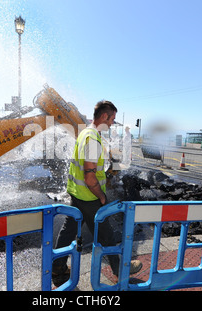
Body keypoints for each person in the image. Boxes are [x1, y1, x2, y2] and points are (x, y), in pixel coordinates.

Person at [52, 100, 142, 287]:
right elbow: (90, 177)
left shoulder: (86, 132)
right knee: (106, 234)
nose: (112, 123)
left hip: (77, 193)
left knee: (69, 229)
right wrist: (101, 196)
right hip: (89, 196)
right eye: (111, 119)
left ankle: (57, 268)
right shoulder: (92, 139)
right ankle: (119, 271)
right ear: (103, 117)